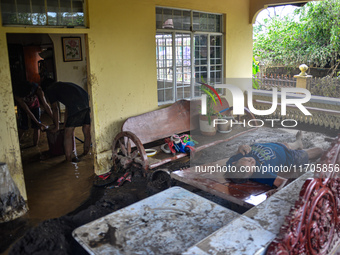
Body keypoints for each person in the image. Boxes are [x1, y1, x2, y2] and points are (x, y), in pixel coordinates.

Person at [225, 131, 324, 190]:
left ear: (234, 163)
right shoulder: (262, 174)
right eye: (252, 164)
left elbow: (236, 154)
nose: (251, 160)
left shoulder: (233, 163)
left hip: (274, 146)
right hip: (288, 157)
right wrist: (275, 191)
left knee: (284, 144)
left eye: (246, 159)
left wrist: (240, 148)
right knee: (319, 150)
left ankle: (297, 143)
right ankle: (298, 146)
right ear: (252, 174)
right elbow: (283, 182)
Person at [41, 79, 91, 162]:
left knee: (68, 133)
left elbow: (55, 109)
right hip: (86, 101)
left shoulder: (50, 89)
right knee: (86, 129)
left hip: (76, 104)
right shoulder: (64, 85)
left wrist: (56, 127)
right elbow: (68, 107)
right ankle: (85, 154)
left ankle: (68, 160)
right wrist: (65, 123)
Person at [13, 81, 54, 146]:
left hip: (35, 105)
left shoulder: (37, 89)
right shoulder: (17, 95)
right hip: (23, 109)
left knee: (37, 127)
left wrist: (54, 119)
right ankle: (16, 144)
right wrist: (38, 122)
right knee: (23, 126)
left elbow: (46, 105)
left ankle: (35, 145)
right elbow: (27, 111)